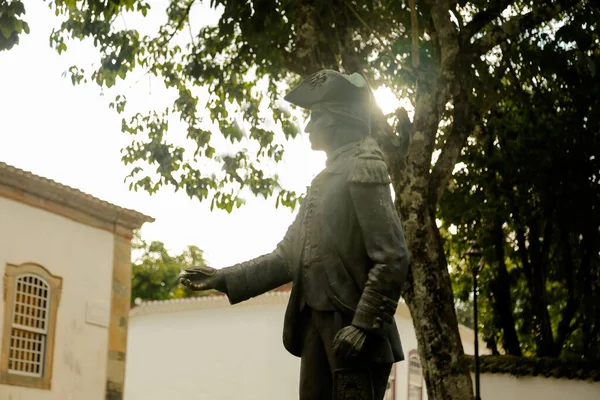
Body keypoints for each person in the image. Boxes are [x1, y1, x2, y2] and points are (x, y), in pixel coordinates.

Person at [180, 69, 410, 400]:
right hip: (315, 322)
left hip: (349, 326)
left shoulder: (364, 165)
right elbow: (285, 258)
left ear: (338, 120)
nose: (308, 126)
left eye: (316, 117)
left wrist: (363, 325)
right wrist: (221, 277)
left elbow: (392, 256)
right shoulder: (322, 182)